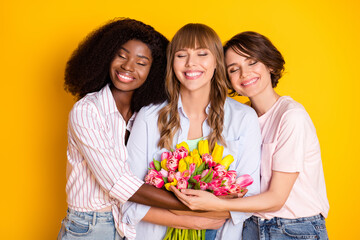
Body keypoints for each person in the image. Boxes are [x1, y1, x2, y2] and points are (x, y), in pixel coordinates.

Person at [57, 18, 223, 240]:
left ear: (153, 70)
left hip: (128, 225)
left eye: (141, 62)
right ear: (106, 56)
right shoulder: (87, 110)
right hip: (89, 226)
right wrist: (193, 205)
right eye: (122, 56)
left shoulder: (146, 115)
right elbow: (118, 183)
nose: (128, 66)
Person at [171, 31, 330, 240]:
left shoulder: (291, 116)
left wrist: (217, 204)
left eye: (252, 63)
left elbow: (276, 199)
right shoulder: (241, 117)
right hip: (250, 226)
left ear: (270, 65)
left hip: (293, 229)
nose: (244, 74)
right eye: (234, 69)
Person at [121, 24, 261, 240]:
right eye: (181, 55)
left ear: (217, 62)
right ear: (172, 63)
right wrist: (191, 219)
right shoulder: (149, 116)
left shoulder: (243, 117)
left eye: (202, 54)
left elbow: (248, 201)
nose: (191, 63)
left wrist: (174, 204)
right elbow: (129, 197)